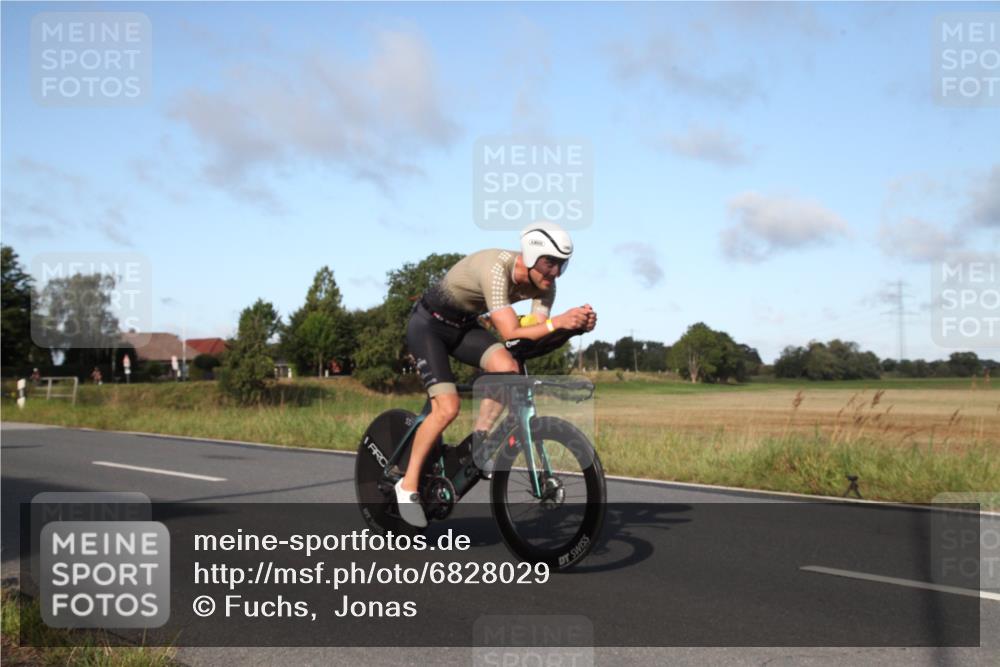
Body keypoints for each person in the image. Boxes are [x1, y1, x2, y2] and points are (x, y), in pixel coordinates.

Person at [398, 221, 597, 527]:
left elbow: (530, 338)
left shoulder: (546, 287)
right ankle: (407, 486)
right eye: (549, 263)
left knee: (508, 368)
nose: (554, 272)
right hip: (429, 326)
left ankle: (478, 442)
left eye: (561, 265)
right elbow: (510, 330)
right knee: (448, 407)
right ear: (530, 256)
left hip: (464, 327)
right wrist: (559, 322)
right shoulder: (496, 268)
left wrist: (572, 329)